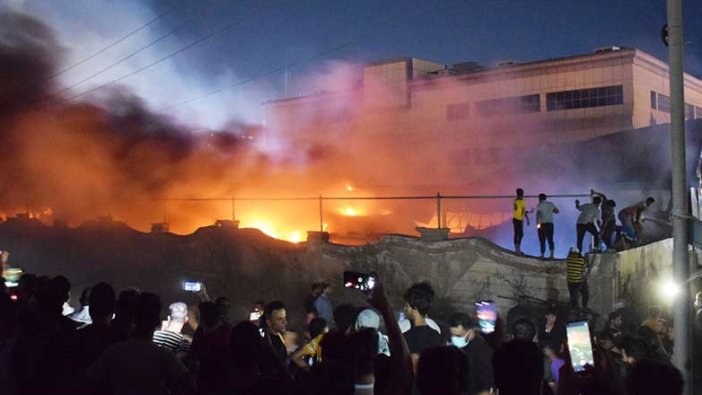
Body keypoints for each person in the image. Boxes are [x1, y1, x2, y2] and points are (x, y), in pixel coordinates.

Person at [85, 292, 195, 395]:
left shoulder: (114, 352)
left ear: (133, 320)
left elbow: (88, 381)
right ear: (157, 322)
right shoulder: (163, 356)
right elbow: (189, 385)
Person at [448, 312, 494, 395]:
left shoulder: (482, 351)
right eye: (452, 335)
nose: (454, 339)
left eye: (458, 336)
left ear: (470, 331)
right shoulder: (454, 345)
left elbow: (487, 386)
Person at [493, 319, 543, 395]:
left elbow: (496, 378)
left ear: (513, 334)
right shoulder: (537, 353)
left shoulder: (502, 351)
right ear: (533, 335)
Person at [402, 282, 443, 373]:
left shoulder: (409, 336)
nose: (405, 309)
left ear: (415, 308)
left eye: (407, 306)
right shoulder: (435, 333)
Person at [536, 193, 559, 259]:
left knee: (542, 240)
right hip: (550, 224)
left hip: (542, 224)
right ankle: (551, 255)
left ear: (540, 198)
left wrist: (538, 225)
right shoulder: (550, 204)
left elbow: (538, 215)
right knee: (550, 239)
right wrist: (551, 210)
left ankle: (542, 255)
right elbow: (557, 211)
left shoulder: (540, 205)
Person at [513, 188, 530, 254]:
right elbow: (523, 211)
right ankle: (518, 249)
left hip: (515, 219)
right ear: (522, 194)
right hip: (519, 219)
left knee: (517, 234)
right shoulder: (522, 201)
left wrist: (526, 214)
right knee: (520, 234)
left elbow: (516, 209)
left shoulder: (515, 200)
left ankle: (517, 249)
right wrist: (527, 218)